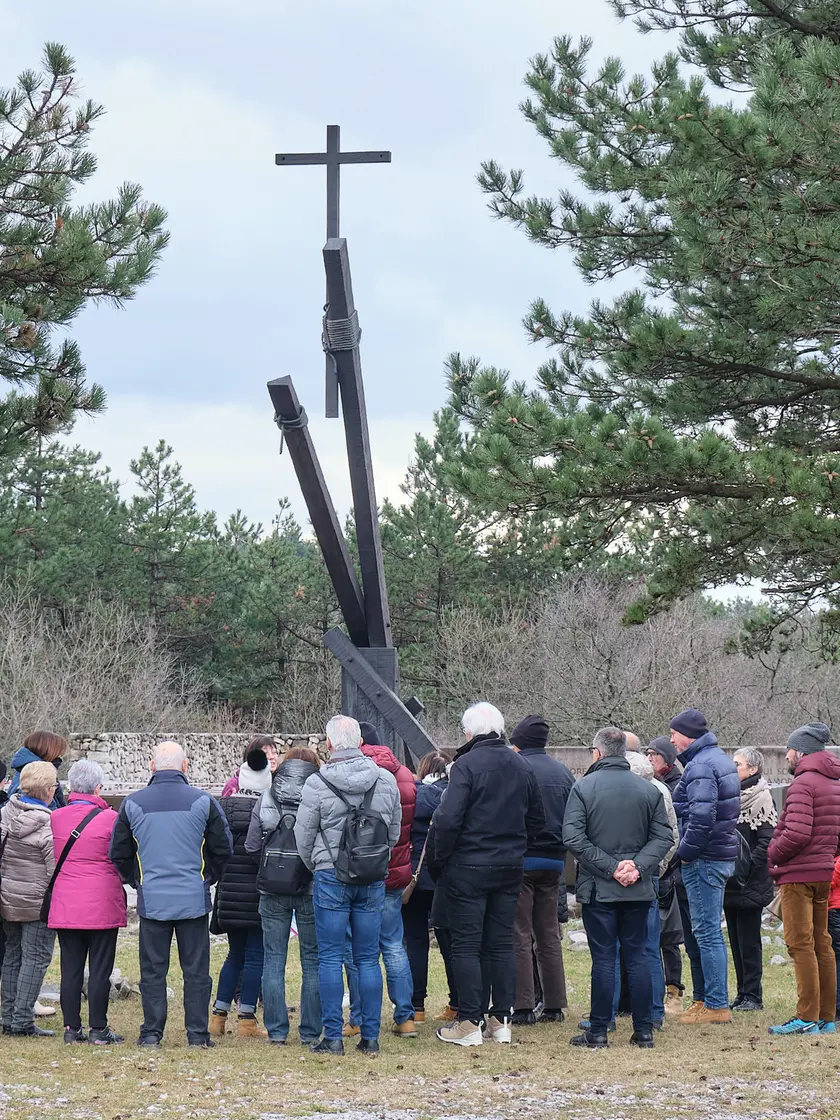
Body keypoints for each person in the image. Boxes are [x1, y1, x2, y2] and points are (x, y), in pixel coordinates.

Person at [433, 702, 545, 1048]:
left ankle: (470, 1021)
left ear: (469, 732)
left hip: (468, 865)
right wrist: (516, 847)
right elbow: (538, 820)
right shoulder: (521, 765)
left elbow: (448, 819)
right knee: (501, 943)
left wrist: (442, 859)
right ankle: (501, 1020)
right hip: (509, 865)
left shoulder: (465, 765)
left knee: (467, 944)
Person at [110, 741, 232, 1048]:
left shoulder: (132, 803)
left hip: (153, 899)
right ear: (185, 766)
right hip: (192, 898)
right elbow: (223, 848)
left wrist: (137, 881)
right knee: (196, 971)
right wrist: (207, 877)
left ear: (151, 766)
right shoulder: (203, 801)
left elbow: (118, 852)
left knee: (153, 971)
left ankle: (152, 1033)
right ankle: (198, 1035)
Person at [294, 715, 401, 1056]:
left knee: (329, 957)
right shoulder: (385, 780)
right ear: (360, 742)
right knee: (368, 958)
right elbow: (393, 832)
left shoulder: (317, 783)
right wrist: (373, 860)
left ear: (328, 744)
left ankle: (333, 1037)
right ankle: (370, 1037)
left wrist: (318, 864)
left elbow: (303, 835)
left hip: (330, 876)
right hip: (371, 876)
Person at [563, 729, 672, 1049]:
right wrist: (636, 867)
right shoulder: (648, 790)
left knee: (604, 958)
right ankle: (644, 1030)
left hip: (600, 888)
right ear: (623, 752)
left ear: (597, 753)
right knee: (638, 956)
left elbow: (573, 838)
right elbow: (663, 837)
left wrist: (613, 868)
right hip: (637, 889)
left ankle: (598, 1030)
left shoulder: (583, 788)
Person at [245, 746, 323, 1046]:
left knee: (273, 959)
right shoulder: (320, 795)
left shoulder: (266, 797)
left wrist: (272, 868)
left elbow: (252, 846)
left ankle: (277, 1031)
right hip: (310, 887)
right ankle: (311, 1031)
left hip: (272, 888)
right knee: (312, 961)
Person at [767, 722, 840, 1035]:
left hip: (798, 875)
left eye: (789, 750)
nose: (786, 755)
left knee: (800, 944)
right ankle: (826, 1017)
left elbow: (796, 833)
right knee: (822, 943)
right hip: (823, 872)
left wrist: (773, 854)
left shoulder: (803, 783)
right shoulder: (834, 782)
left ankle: (806, 1017)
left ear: (801, 752)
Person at [48, 759, 127, 1045]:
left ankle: (71, 1028)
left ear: (70, 786)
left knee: (70, 968)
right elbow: (121, 856)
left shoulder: (56, 817)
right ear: (97, 788)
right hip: (102, 901)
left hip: (66, 901)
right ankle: (98, 1028)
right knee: (100, 969)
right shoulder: (111, 819)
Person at [670, 708, 739, 1025]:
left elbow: (701, 818)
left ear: (687, 735)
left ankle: (716, 1005)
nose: (671, 740)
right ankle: (703, 999)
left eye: (674, 733)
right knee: (704, 930)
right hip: (717, 855)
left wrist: (683, 853)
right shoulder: (718, 759)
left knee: (707, 932)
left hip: (705, 858)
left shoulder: (700, 765)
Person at [509, 715, 574, 1025]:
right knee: (548, 933)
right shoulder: (563, 772)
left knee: (519, 933)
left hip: (522, 860)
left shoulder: (517, 769)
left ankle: (522, 1005)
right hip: (554, 861)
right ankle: (554, 1004)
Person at [356, 721, 417, 1038]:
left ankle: (358, 1017)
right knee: (393, 944)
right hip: (395, 869)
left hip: (361, 870)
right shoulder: (404, 774)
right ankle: (405, 1016)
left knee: (358, 951)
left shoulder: (357, 773)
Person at [210, 747, 272, 1039]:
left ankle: (218, 1016)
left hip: (229, 895)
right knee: (255, 956)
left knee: (234, 954)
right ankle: (246, 1018)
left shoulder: (222, 807)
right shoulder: (269, 810)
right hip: (258, 894)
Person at [0, 761, 57, 1036]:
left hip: (7, 897)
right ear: (48, 790)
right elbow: (53, 868)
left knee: (13, 955)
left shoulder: (5, 812)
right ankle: (22, 1020)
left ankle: (7, 1016)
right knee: (35, 958)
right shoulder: (47, 823)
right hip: (37, 902)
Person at [626, 750, 679, 1029]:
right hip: (650, 872)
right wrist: (658, 866)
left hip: (634, 875)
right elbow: (671, 836)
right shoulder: (660, 790)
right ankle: (654, 1011)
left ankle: (614, 1014)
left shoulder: (639, 792)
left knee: (630, 946)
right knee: (649, 946)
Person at [723, 748, 777, 1013]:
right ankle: (742, 993)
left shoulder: (762, 797)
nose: (733, 768)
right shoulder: (730, 796)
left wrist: (745, 868)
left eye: (738, 764)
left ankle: (753, 995)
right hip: (730, 880)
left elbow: (767, 841)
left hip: (750, 881)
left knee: (749, 942)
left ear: (753, 769)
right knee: (735, 940)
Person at [402, 751, 452, 1023]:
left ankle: (416, 1006)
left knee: (414, 942)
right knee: (450, 942)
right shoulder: (454, 796)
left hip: (414, 876)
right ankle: (457, 1003)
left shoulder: (413, 795)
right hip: (443, 877)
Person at [646, 735, 687, 1014]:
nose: (650, 759)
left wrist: (665, 866)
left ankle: (674, 991)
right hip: (657, 868)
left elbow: (676, 832)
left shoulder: (676, 787)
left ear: (668, 759)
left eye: (655, 754)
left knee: (670, 936)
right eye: (647, 754)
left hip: (671, 870)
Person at [8, 731, 67, 809]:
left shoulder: (27, 771)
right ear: (48, 753)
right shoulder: (36, 777)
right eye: (58, 755)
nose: (59, 760)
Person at [829, 856, 840, 1023]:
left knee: (837, 958)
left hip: (836, 911)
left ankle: (837, 1005)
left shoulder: (838, 862)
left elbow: (828, 882)